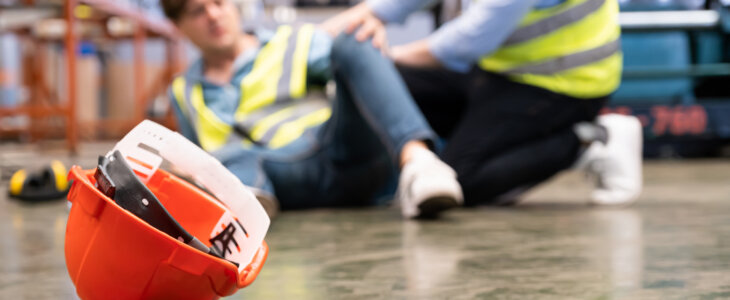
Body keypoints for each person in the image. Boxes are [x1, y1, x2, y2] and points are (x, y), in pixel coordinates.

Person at [159, 0, 463, 219]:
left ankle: (419, 163)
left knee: (357, 36)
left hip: (338, 150)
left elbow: (357, 64)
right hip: (273, 178)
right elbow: (197, 162)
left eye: (219, 2)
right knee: (229, 158)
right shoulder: (183, 91)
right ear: (178, 26)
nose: (213, 15)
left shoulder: (293, 41)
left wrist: (367, 47)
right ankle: (246, 213)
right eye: (197, 11)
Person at [325, 0, 643, 206]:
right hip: (502, 70)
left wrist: (380, 58)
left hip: (564, 85)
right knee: (390, 85)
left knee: (458, 182)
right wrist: (360, 18)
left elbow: (467, 41)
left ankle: (588, 142)